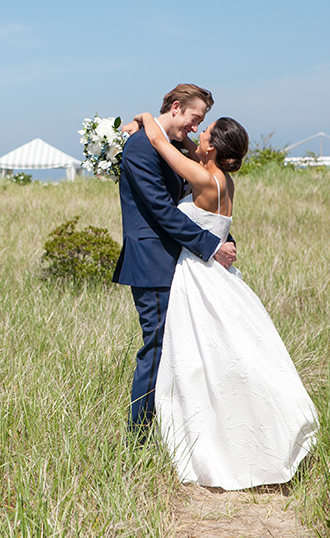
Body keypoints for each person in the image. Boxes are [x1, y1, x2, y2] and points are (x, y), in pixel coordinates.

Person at [129, 111, 319, 491]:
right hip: (218, 275)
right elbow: (184, 148)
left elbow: (159, 144)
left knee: (195, 360)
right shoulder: (223, 179)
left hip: (197, 277)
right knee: (224, 355)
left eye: (205, 132)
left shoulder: (202, 177)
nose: (197, 134)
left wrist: (146, 117)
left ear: (213, 147)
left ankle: (203, 443)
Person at [112, 84, 237, 438]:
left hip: (182, 263)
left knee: (186, 349)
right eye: (195, 119)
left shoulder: (176, 149)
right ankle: (139, 437)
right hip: (152, 263)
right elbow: (161, 210)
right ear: (177, 107)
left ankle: (182, 431)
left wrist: (223, 238)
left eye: (202, 124)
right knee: (157, 348)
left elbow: (200, 205)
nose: (196, 128)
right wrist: (212, 246)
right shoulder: (139, 146)